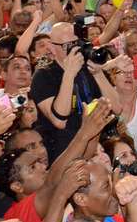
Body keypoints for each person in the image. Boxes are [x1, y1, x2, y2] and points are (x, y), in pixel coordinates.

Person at [29, 22, 120, 161]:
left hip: (98, 146)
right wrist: (69, 74)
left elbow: (117, 108)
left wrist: (98, 73)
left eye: (76, 43)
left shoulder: (88, 66)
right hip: (64, 151)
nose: (74, 50)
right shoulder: (43, 76)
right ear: (52, 48)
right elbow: (59, 119)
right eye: (67, 46)